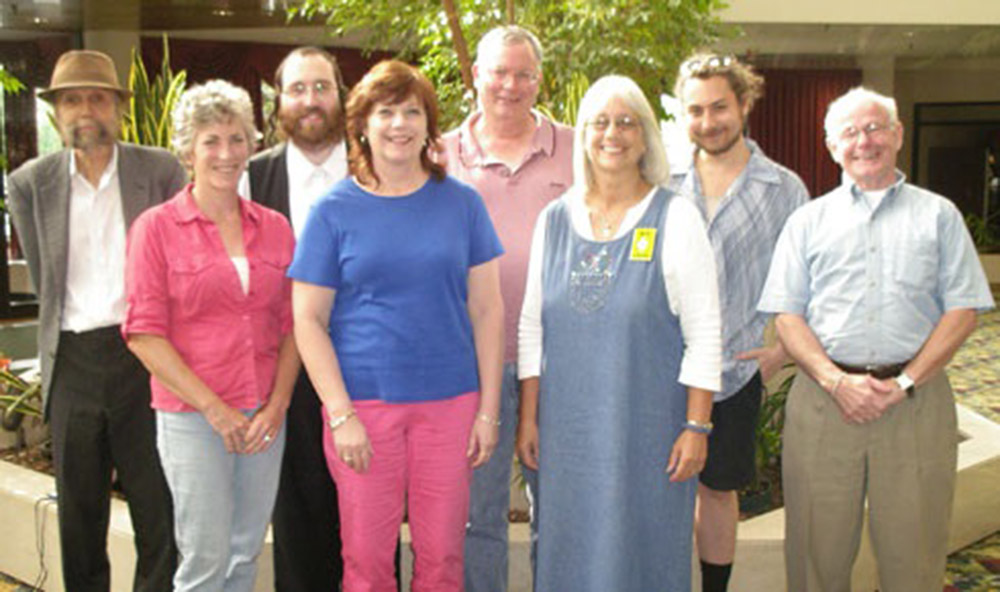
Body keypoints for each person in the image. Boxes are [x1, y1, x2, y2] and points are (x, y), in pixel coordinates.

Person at [758, 86, 995, 591]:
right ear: (832, 146)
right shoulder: (807, 222)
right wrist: (836, 381)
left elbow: (963, 311)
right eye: (849, 133)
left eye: (874, 128)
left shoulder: (939, 217)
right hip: (824, 402)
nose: (863, 141)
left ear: (898, 135)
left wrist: (905, 382)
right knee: (815, 554)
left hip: (915, 402)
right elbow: (788, 316)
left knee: (915, 554)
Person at [290, 60, 505, 592]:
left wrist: (488, 411)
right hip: (364, 410)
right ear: (362, 125)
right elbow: (308, 320)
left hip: (450, 406)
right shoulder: (332, 211)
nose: (399, 124)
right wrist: (340, 413)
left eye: (412, 112)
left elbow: (488, 310)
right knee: (366, 561)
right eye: (386, 112)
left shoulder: (463, 204)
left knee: (443, 558)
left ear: (429, 126)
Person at [518, 75, 721, 592]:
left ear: (646, 136)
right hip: (567, 433)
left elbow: (704, 334)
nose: (613, 134)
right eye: (600, 123)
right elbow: (532, 327)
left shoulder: (676, 217)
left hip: (648, 431)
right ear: (583, 136)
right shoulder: (554, 221)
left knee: (644, 545)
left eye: (627, 122)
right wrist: (529, 418)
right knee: (567, 546)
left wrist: (697, 427)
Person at [7, 49, 181, 592]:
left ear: (119, 108)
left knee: (158, 507)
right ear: (56, 111)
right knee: (80, 515)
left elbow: (180, 261)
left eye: (98, 98)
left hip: (146, 358)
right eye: (72, 100)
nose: (86, 110)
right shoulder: (30, 183)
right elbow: (45, 279)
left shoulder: (159, 170)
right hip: (73, 362)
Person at [123, 80, 299, 592]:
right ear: (188, 150)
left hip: (263, 415)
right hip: (193, 418)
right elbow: (144, 334)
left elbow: (294, 325)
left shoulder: (275, 227)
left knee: (245, 552)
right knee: (205, 558)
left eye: (237, 138)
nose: (227, 153)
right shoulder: (156, 229)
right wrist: (215, 409)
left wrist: (278, 404)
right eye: (211, 141)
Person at [440, 25, 573, 591]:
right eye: (498, 72)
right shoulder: (438, 154)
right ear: (476, 76)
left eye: (523, 74)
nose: (510, 86)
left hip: (561, 360)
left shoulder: (579, 149)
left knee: (562, 511)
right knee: (478, 516)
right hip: (471, 364)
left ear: (540, 80)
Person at [670, 53, 808, 592]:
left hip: (734, 372)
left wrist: (781, 351)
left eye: (719, 107)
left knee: (717, 489)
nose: (708, 121)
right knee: (656, 487)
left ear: (745, 104)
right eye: (696, 110)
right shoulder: (662, 181)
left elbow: (807, 282)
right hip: (663, 368)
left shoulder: (784, 189)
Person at [241, 46, 348, 592]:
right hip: (285, 371)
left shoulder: (375, 168)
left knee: (368, 516)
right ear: (279, 101)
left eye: (321, 87)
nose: (310, 101)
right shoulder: (252, 178)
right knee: (298, 517)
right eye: (298, 89)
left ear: (340, 95)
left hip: (366, 366)